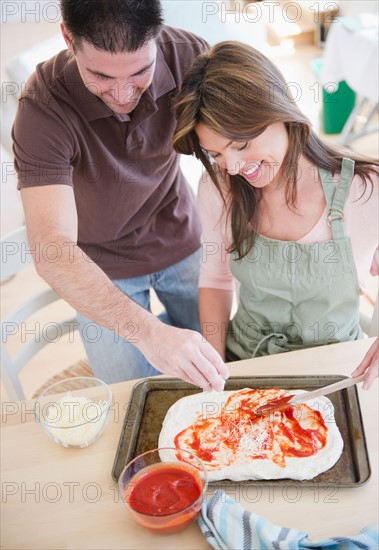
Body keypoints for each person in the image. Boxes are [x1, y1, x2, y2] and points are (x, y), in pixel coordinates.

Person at [12, 0, 228, 391]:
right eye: (101, 76)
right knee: (126, 395)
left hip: (179, 234)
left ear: (157, 37)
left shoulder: (190, 58)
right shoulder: (42, 108)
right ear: (68, 38)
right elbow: (51, 249)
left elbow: (259, 140)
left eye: (141, 72)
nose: (123, 93)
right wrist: (149, 333)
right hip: (98, 267)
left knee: (219, 369)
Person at [173, 41, 378, 371]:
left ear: (277, 110)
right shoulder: (217, 186)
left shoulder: (363, 188)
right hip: (247, 362)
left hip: (338, 370)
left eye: (240, 144)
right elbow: (214, 278)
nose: (235, 167)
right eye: (217, 155)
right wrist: (216, 370)